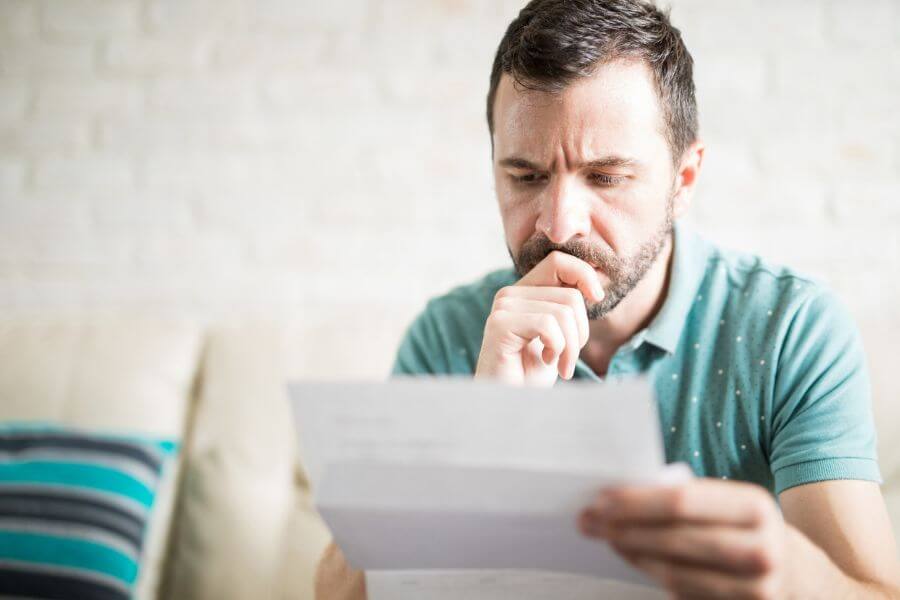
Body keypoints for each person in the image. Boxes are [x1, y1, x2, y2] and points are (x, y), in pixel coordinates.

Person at [316, 0, 900, 597]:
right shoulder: (449, 335)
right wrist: (481, 424)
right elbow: (336, 592)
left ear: (684, 182)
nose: (561, 225)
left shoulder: (790, 330)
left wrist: (788, 572)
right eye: (526, 176)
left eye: (606, 177)